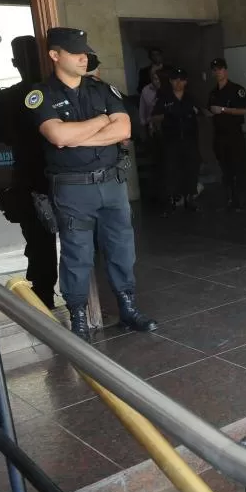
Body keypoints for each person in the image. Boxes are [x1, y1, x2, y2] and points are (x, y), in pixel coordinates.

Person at [26, 27, 157, 341]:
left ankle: (127, 306)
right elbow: (57, 136)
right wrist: (102, 124)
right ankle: (78, 316)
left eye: (85, 52)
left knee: (122, 248)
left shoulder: (102, 90)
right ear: (55, 55)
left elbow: (123, 129)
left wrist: (81, 134)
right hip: (73, 188)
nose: (84, 58)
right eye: (75, 52)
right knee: (77, 253)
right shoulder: (42, 94)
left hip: (111, 183)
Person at [0, 36, 57, 309]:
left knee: (40, 244)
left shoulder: (7, 99)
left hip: (33, 177)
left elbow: (1, 135)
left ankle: (44, 297)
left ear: (14, 62)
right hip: (47, 176)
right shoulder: (54, 92)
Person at [150, 68, 200, 215]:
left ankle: (190, 198)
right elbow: (154, 117)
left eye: (181, 79)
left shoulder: (190, 98)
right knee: (171, 170)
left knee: (191, 169)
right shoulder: (164, 98)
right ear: (171, 81)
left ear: (185, 81)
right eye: (175, 79)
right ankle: (172, 200)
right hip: (171, 140)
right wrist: (167, 115)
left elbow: (202, 113)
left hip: (190, 139)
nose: (178, 83)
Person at [207, 58, 246, 211]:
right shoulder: (213, 92)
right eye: (215, 70)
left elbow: (244, 110)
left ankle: (241, 200)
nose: (217, 72)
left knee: (239, 168)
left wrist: (224, 110)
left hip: (234, 135)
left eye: (220, 69)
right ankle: (230, 199)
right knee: (225, 169)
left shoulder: (236, 89)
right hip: (219, 135)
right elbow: (210, 110)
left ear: (225, 70)